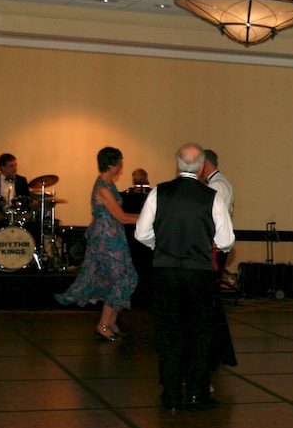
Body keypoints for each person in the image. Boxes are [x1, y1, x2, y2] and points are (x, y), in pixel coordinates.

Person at [135, 143, 235, 411]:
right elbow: (225, 241)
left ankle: (170, 396)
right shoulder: (211, 197)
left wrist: (162, 246)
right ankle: (195, 393)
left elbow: (141, 234)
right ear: (202, 166)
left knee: (169, 333)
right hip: (199, 274)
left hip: (166, 273)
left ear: (177, 164)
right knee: (199, 334)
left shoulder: (159, 192)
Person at [56, 147, 139, 341]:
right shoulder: (102, 187)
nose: (122, 165)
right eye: (120, 161)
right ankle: (103, 325)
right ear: (112, 164)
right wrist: (151, 218)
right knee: (119, 279)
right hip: (106, 239)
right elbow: (122, 216)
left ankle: (111, 322)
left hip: (114, 236)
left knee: (127, 277)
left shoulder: (109, 185)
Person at [201, 149, 238, 373]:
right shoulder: (221, 183)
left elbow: (213, 221)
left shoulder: (217, 186)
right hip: (215, 246)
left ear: (205, 164)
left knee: (210, 296)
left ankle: (213, 344)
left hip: (214, 247)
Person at [120, 168, 153, 308]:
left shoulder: (152, 195)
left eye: (140, 180)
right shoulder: (127, 195)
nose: (138, 183)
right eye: (135, 180)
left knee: (147, 267)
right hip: (131, 237)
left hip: (147, 238)